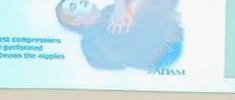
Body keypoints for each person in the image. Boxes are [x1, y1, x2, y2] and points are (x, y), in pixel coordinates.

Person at [55, 0, 183, 71]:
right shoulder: (92, 45)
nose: (80, 2)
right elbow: (126, 58)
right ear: (77, 22)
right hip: (165, 52)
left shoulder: (108, 11)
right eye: (73, 5)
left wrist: (120, 8)